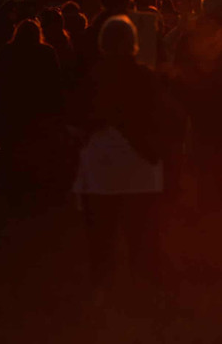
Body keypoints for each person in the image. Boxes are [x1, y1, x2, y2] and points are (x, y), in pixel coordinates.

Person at [71, 16, 170, 295]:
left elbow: (75, 120)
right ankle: (144, 294)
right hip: (141, 167)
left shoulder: (92, 78)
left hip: (99, 169)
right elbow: (162, 119)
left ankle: (103, 293)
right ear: (133, 43)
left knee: (101, 241)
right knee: (142, 240)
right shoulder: (145, 77)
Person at [0, 18, 65, 207]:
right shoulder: (46, 52)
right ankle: (34, 190)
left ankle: (12, 191)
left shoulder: (7, 52)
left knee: (11, 150)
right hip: (38, 111)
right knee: (36, 150)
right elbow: (55, 84)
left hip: (12, 110)